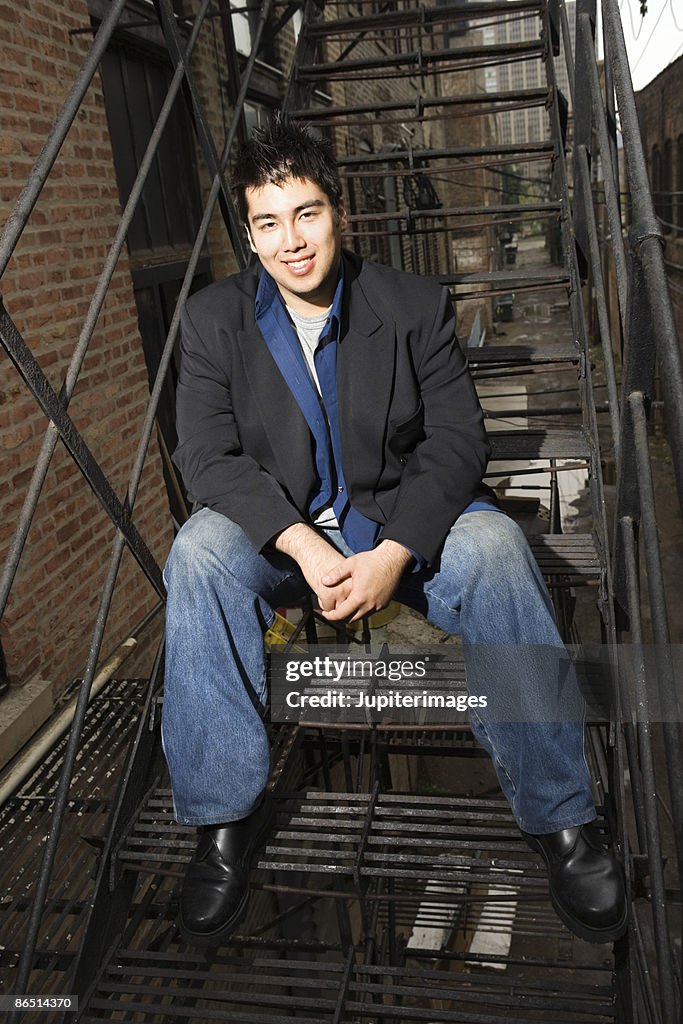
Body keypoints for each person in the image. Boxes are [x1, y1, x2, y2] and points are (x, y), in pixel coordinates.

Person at [162, 116, 626, 948]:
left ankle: (560, 816)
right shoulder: (211, 320)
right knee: (196, 551)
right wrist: (302, 547)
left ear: (338, 210)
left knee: (494, 548)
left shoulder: (411, 305)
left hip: (398, 524)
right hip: (285, 532)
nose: (290, 241)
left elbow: (456, 442)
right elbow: (206, 457)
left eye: (305, 213)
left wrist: (393, 554)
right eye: (267, 223)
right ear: (248, 229)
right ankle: (222, 819)